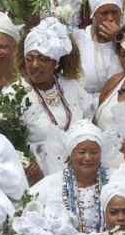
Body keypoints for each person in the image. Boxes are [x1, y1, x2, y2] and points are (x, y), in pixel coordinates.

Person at [19, 17, 95, 178]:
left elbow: (91, 125)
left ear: (56, 63)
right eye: (29, 59)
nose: (35, 65)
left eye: (43, 59)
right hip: (39, 178)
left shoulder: (73, 87)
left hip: (80, 171)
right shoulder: (16, 95)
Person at [28, 120, 117, 233]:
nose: (88, 158)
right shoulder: (53, 183)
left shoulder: (114, 180)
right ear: (70, 154)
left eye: (94, 152)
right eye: (82, 152)